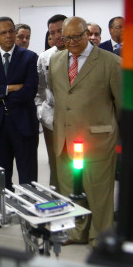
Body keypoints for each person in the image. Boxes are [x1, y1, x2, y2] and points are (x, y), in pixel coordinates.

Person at [50, 17, 121, 246]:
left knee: (99, 192)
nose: (71, 42)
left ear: (87, 34)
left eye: (76, 37)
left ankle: (100, 236)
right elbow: (60, 96)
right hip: (64, 139)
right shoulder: (56, 60)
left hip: (97, 140)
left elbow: (122, 105)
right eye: (66, 38)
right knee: (70, 189)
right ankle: (75, 232)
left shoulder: (111, 62)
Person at [0, 17, 39, 192]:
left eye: (11, 31)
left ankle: (28, 207)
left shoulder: (29, 57)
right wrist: (9, 88)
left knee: (28, 177)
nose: (9, 36)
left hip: (24, 125)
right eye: (3, 33)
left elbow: (29, 91)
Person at [35, 14, 67, 188]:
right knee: (55, 162)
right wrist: (40, 110)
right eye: (52, 33)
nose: (56, 36)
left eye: (60, 31)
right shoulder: (45, 56)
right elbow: (39, 88)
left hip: (77, 118)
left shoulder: (80, 56)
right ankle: (57, 194)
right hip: (51, 117)